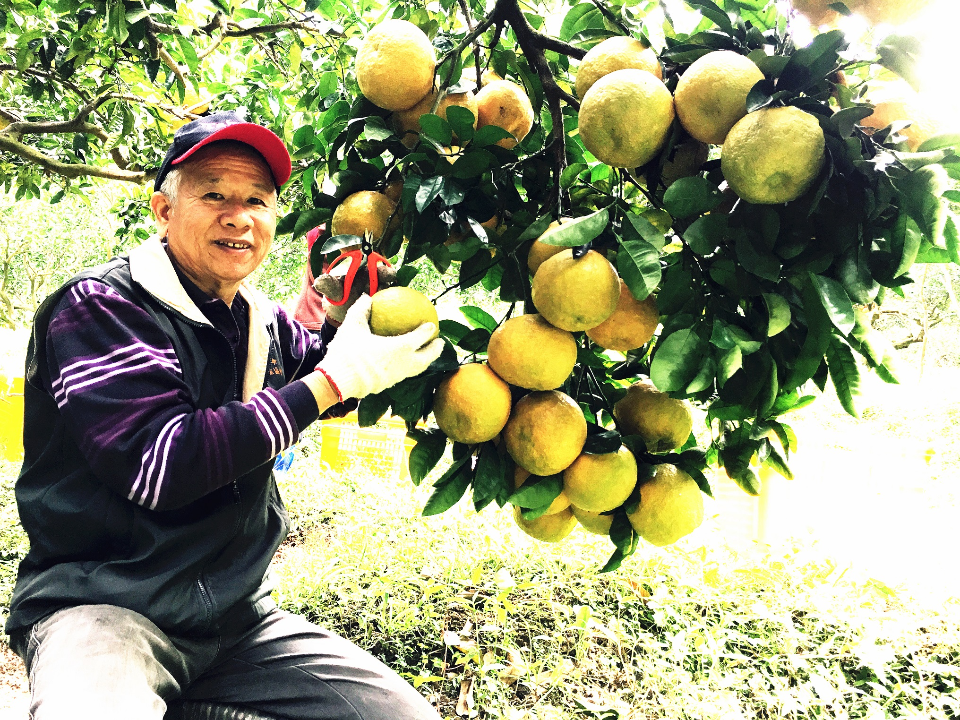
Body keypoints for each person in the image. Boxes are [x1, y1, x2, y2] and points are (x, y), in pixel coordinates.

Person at [6, 110, 444, 720]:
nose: (238, 216)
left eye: (257, 200)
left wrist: (354, 317)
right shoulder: (102, 306)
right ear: (163, 210)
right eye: (214, 194)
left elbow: (336, 372)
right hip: (106, 605)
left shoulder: (258, 320)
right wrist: (331, 381)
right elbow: (163, 464)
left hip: (237, 622)